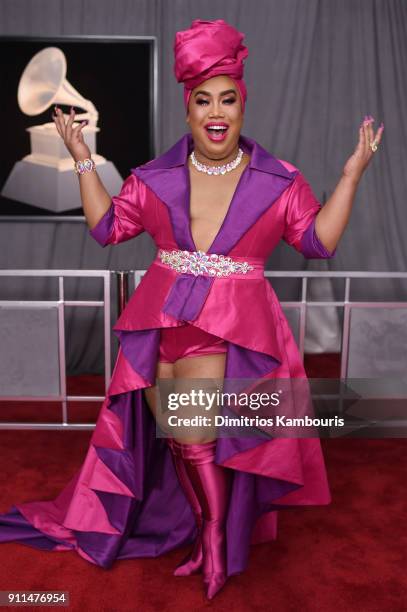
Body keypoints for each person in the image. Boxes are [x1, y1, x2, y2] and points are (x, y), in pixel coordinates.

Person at [0, 19, 383, 601]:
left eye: (227, 98)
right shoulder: (155, 178)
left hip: (228, 329)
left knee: (200, 437)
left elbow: (318, 242)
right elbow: (108, 228)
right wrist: (82, 158)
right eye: (203, 99)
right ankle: (208, 539)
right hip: (161, 327)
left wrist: (352, 174)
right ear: (188, 110)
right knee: (179, 440)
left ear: (242, 106)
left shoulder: (278, 181)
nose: (216, 110)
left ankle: (217, 544)